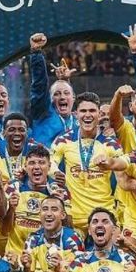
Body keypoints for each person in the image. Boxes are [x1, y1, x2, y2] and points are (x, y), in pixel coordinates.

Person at [2, 145, 69, 272]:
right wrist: (12, 209)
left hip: (42, 262)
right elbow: (5, 228)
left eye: (41, 162)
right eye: (32, 163)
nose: (36, 167)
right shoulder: (13, 187)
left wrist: (58, 201)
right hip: (16, 258)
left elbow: (67, 227)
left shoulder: (58, 191)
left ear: (49, 166)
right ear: (25, 166)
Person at [50, 92, 124, 235]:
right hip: (74, 218)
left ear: (99, 114)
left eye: (92, 111)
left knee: (107, 256)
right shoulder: (64, 140)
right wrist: (56, 173)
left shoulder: (111, 144)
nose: (88, 115)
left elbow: (123, 167)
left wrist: (110, 163)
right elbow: (50, 161)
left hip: (104, 216)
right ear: (75, 114)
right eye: (83, 111)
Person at [28, 33, 77, 146]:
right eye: (57, 94)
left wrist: (64, 81)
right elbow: (39, 86)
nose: (62, 97)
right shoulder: (43, 113)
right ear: (49, 98)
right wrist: (36, 53)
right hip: (42, 162)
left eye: (66, 93)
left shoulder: (79, 121)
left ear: (73, 98)